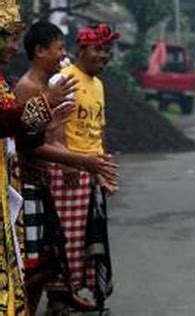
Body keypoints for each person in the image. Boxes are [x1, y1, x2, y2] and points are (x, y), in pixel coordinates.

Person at [14, 21, 118, 315]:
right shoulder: (34, 86)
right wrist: (77, 160)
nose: (62, 56)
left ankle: (58, 299)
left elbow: (49, 131)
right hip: (33, 183)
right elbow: (29, 142)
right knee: (36, 264)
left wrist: (96, 164)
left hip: (52, 176)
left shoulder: (62, 85)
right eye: (59, 49)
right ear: (39, 51)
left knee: (54, 257)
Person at [45, 24, 120, 315]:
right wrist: (67, 161)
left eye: (106, 50)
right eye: (98, 49)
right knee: (67, 240)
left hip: (92, 169)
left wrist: (104, 169)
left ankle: (74, 294)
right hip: (70, 170)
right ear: (81, 50)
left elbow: (98, 129)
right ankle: (58, 299)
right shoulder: (64, 79)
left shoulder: (99, 84)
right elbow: (56, 125)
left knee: (91, 239)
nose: (104, 55)